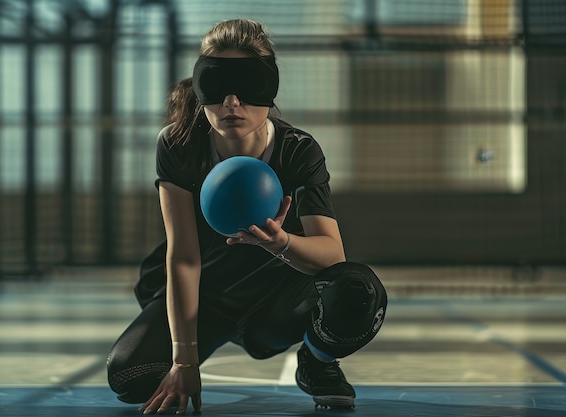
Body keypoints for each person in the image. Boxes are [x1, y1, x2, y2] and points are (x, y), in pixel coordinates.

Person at [107, 19, 387, 415]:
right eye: (218, 86)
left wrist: (282, 243)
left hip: (275, 305)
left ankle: (317, 362)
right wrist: (183, 361)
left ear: (269, 88)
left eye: (247, 85)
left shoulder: (297, 150)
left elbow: (332, 257)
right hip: (208, 299)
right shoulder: (179, 143)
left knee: (359, 291)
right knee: (129, 379)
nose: (231, 103)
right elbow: (183, 256)